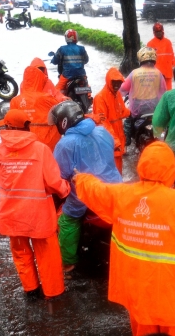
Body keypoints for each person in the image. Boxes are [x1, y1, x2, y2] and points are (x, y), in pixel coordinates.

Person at [73, 141, 175, 336]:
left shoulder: (122, 195)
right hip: (172, 299)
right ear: (171, 170)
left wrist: (80, 178)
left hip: (140, 298)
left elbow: (96, 190)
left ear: (141, 166)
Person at [0, 109, 70, 299]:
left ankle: (31, 291)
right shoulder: (41, 149)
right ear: (27, 127)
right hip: (39, 217)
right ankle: (53, 293)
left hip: (12, 217)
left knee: (21, 253)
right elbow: (53, 182)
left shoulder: (0, 150)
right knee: (48, 255)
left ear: (8, 127)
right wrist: (65, 190)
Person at [49, 101, 122, 273]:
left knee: (66, 221)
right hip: (115, 189)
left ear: (64, 122)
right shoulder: (102, 131)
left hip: (87, 195)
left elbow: (58, 175)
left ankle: (68, 263)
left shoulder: (65, 144)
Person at [10, 65, 65, 152]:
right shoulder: (48, 98)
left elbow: (11, 121)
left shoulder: (15, 101)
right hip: (48, 143)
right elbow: (60, 113)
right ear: (40, 80)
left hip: (25, 143)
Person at [120, 46, 166, 144]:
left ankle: (126, 140)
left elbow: (123, 89)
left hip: (138, 108)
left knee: (128, 118)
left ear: (140, 59)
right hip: (154, 107)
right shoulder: (158, 73)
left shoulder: (134, 73)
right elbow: (163, 92)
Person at [93, 67, 130, 173]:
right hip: (109, 141)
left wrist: (132, 112)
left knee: (118, 171)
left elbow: (121, 111)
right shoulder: (100, 98)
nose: (117, 85)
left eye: (119, 83)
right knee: (110, 174)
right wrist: (115, 142)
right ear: (108, 81)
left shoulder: (117, 94)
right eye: (114, 82)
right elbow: (102, 123)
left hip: (118, 140)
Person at [51, 29, 89, 94]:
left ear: (66, 37)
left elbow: (55, 61)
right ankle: (89, 98)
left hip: (67, 75)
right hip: (81, 74)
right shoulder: (82, 48)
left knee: (56, 92)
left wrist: (53, 60)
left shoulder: (62, 49)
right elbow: (86, 60)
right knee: (86, 86)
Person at [147, 22, 175, 90]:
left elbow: (172, 55)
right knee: (158, 93)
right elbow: (148, 59)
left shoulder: (168, 42)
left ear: (163, 31)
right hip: (156, 73)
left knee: (168, 91)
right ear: (154, 32)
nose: (159, 33)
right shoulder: (150, 43)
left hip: (168, 72)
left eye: (160, 31)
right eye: (157, 32)